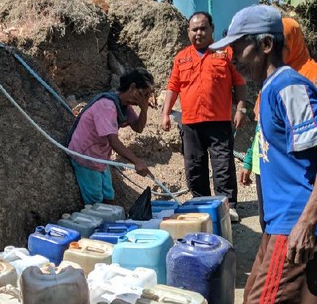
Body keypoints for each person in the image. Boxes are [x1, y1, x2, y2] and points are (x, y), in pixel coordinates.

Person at [210, 5, 317, 304]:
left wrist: (306, 222)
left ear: (266, 44)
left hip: (296, 219)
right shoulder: (272, 89)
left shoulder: (289, 85)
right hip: (282, 221)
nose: (232, 57)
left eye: (238, 47)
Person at [240, 16, 317, 232]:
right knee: (268, 222)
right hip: (268, 163)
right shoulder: (272, 79)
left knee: (287, 237)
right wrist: (249, 162)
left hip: (297, 170)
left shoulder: (309, 76)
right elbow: (262, 128)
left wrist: (307, 128)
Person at [161, 11, 247, 222]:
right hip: (190, 123)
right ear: (188, 32)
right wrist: (165, 113)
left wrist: (241, 109)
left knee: (223, 165)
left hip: (219, 122)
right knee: (194, 166)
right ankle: (201, 206)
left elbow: (240, 83)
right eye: (194, 29)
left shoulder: (225, 53)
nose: (198, 33)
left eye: (203, 28)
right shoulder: (181, 57)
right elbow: (173, 87)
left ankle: (227, 207)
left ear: (211, 30)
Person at [67, 68, 155, 205]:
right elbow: (113, 141)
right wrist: (136, 161)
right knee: (96, 201)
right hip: (86, 155)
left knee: (109, 196)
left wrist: (144, 109)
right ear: (132, 88)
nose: (144, 99)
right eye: (143, 94)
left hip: (100, 157)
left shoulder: (124, 105)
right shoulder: (107, 105)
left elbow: (138, 128)